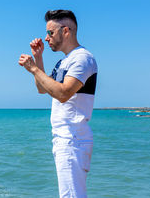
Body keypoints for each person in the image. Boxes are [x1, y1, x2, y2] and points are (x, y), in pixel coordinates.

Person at [18, 10, 97, 198]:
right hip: (64, 138)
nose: (46, 38)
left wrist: (34, 69)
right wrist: (38, 58)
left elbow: (63, 94)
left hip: (73, 138)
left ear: (66, 31)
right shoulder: (64, 62)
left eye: (50, 33)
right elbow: (43, 89)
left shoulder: (83, 58)